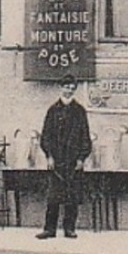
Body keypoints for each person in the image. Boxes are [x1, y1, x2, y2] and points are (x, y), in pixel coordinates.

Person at [37, 80, 92, 239]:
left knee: (72, 196)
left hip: (73, 161)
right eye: (66, 87)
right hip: (56, 160)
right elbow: (45, 136)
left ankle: (69, 229)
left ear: (74, 90)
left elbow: (85, 137)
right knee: (53, 197)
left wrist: (81, 158)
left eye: (72, 88)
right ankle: (49, 229)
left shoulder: (80, 111)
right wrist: (49, 156)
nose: (68, 90)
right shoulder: (53, 110)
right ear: (61, 88)